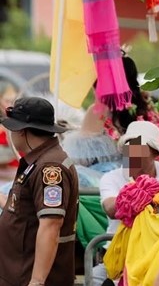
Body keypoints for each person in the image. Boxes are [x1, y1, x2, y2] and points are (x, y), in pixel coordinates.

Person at [0, 96, 79, 286]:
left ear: (23, 131)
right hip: (18, 272)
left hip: (30, 276)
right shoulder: (39, 161)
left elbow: (51, 225)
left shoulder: (50, 168)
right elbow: (22, 211)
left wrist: (37, 281)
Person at [99, 121, 159, 220]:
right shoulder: (111, 177)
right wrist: (142, 195)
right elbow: (110, 209)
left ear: (155, 154)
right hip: (123, 235)